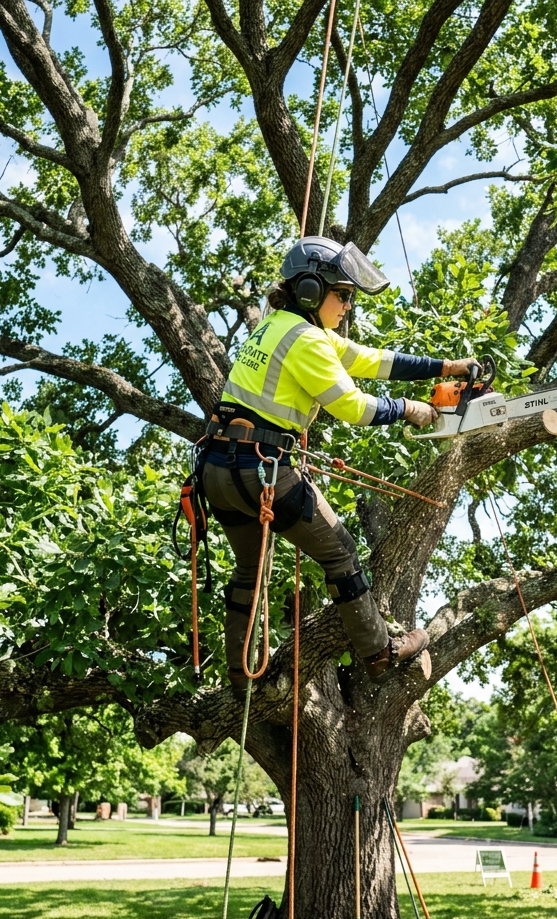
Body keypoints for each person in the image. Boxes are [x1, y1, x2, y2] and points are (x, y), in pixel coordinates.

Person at [201, 236, 478, 688]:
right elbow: (352, 406)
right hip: (262, 468)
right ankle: (380, 652)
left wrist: (444, 367)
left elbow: (371, 360)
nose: (348, 306)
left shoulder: (278, 327)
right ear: (311, 290)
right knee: (341, 553)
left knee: (250, 569)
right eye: (343, 294)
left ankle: (239, 673)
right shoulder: (307, 340)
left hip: (217, 468)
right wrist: (408, 409)